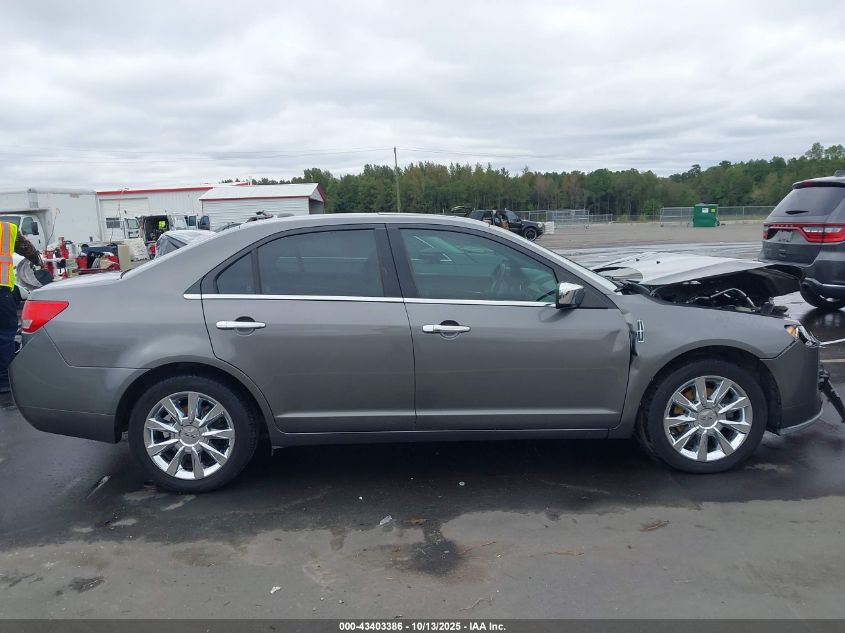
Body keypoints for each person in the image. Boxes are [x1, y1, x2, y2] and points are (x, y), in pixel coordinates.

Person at [0, 221, 43, 394]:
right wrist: (38, 262)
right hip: (1, 291)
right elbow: (29, 251)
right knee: (4, 335)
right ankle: (3, 380)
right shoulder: (6, 229)